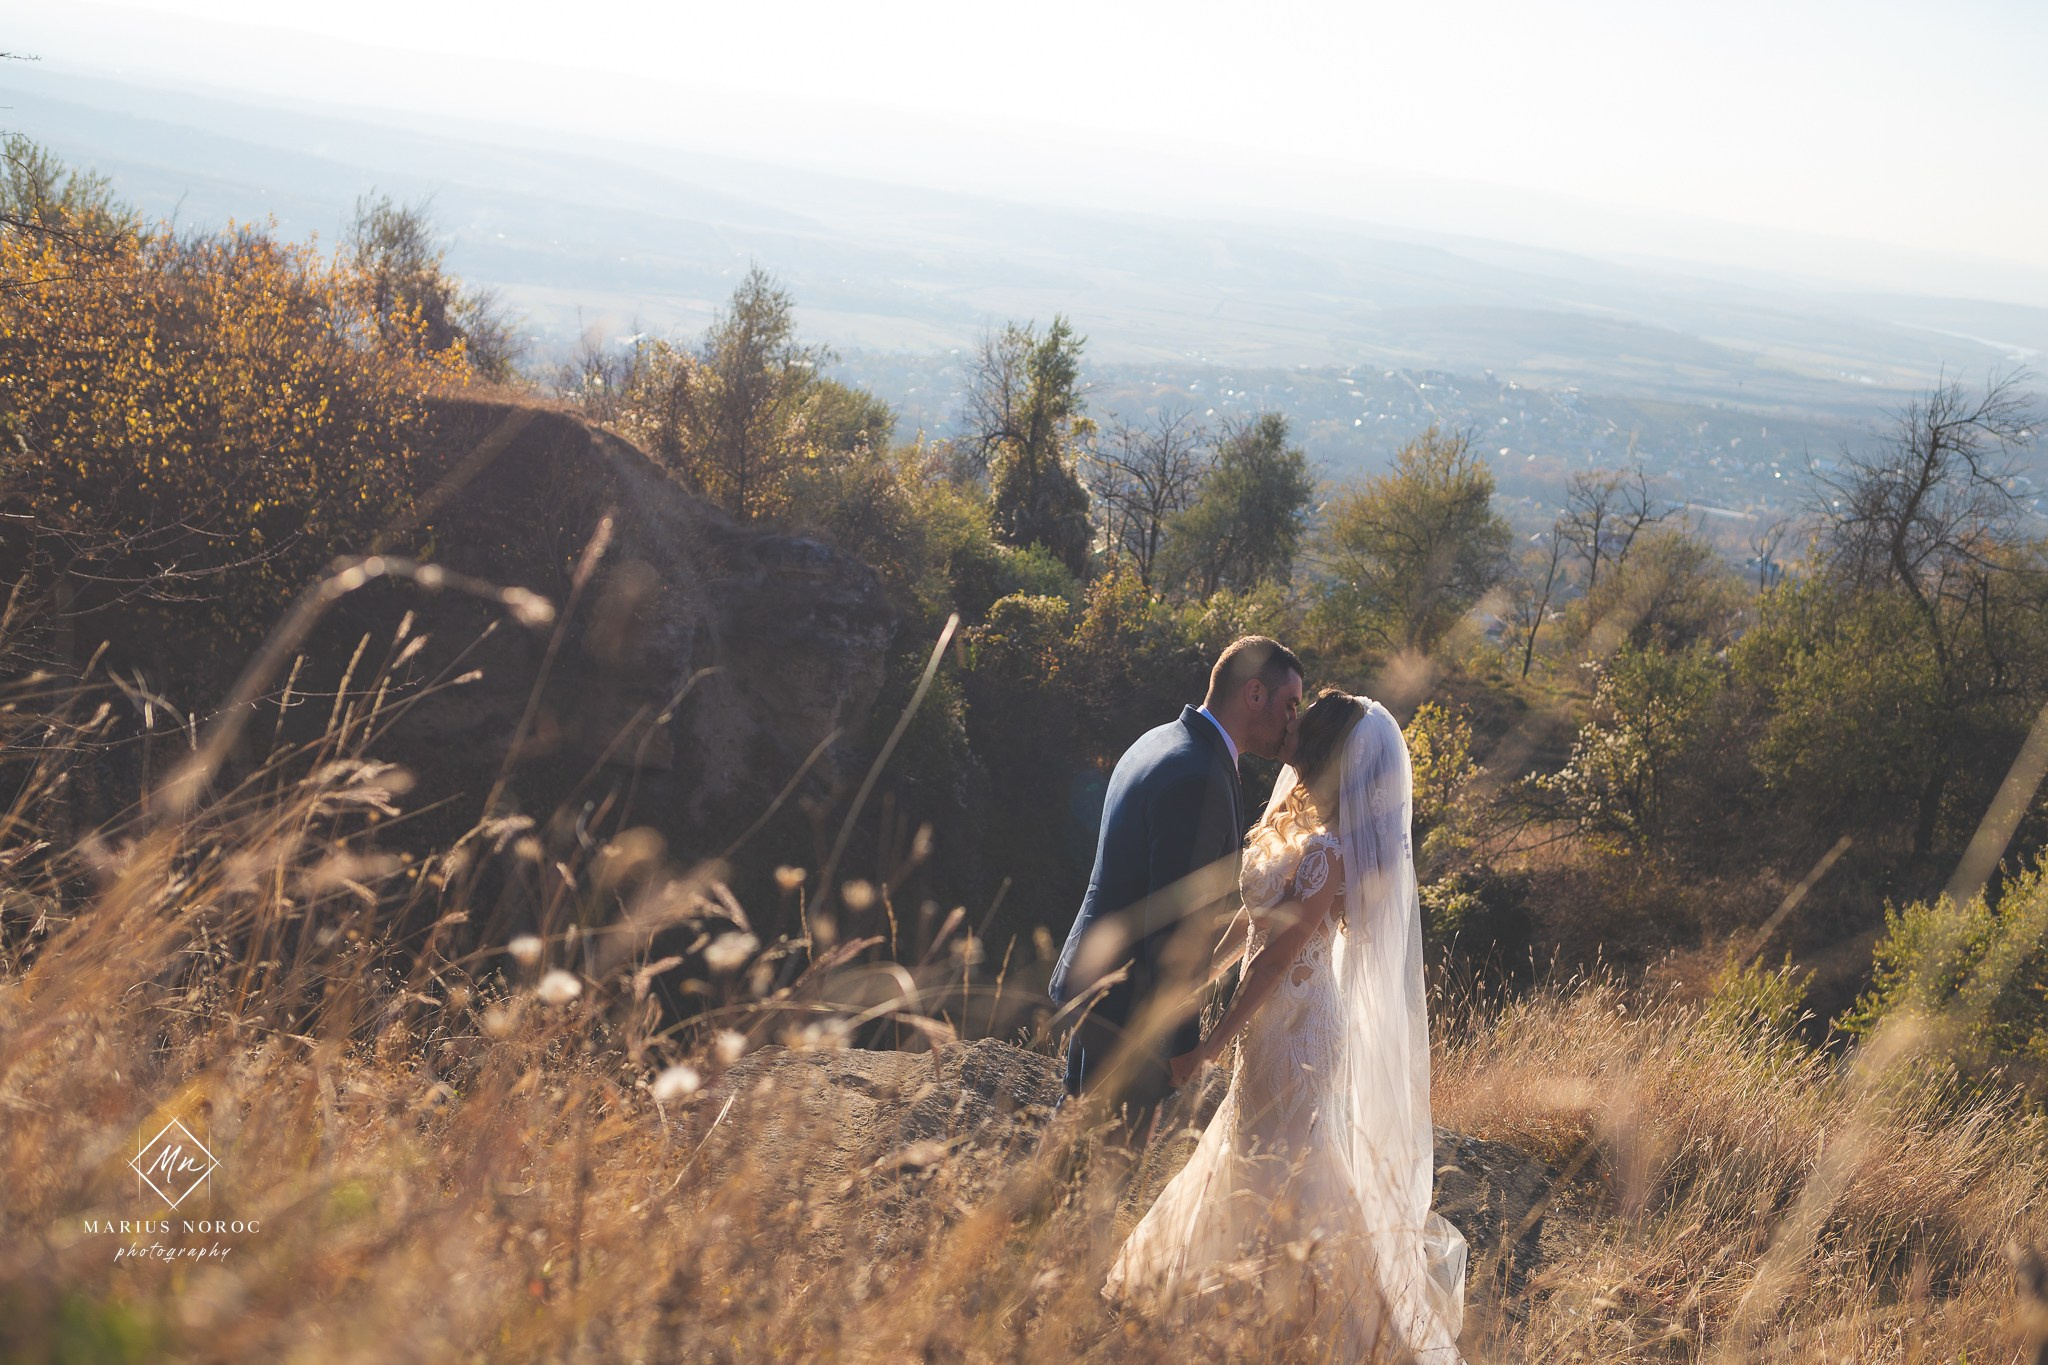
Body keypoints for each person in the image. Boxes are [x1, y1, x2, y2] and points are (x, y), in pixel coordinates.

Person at [1107, 689, 1468, 1362]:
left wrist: (1209, 1045)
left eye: (1303, 722)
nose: (1289, 728)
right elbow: (1254, 923)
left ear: (1324, 750)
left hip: (1300, 1024)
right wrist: (1200, 976)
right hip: (1268, 1020)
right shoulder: (1294, 830)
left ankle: (1336, 1320)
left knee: (1293, 1164)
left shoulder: (1329, 850)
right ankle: (1254, 1302)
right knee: (1258, 1148)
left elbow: (1278, 956)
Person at [1048, 635, 1304, 1143]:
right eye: (1289, 704)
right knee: (1098, 1178)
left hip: (1100, 988)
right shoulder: (1198, 776)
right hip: (1131, 1017)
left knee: (1069, 1154)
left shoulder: (1162, 739)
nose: (1293, 720)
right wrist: (1183, 1043)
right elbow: (1173, 926)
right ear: (1254, 693)